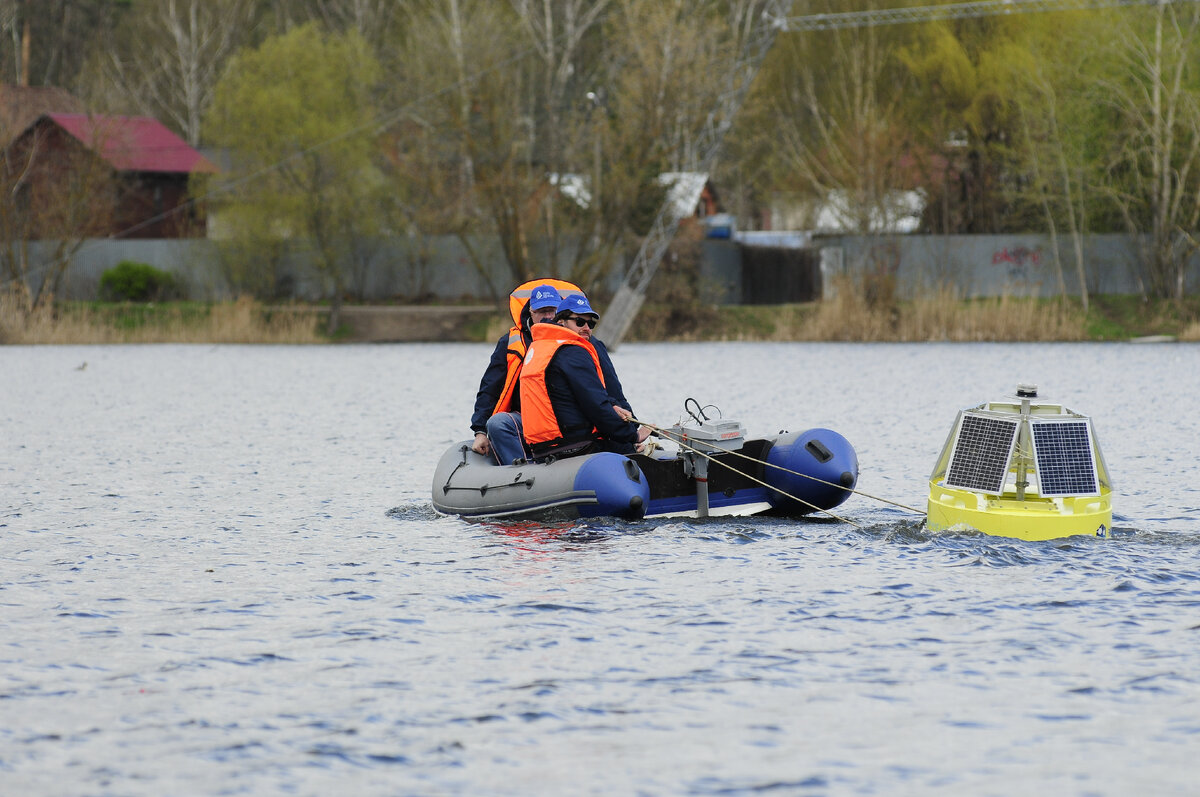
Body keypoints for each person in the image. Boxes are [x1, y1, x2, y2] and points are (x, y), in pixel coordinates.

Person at [519, 293, 651, 460]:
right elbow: (596, 405)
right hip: (575, 446)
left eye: (591, 323)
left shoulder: (539, 348)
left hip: (541, 450)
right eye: (579, 322)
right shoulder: (573, 352)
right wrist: (633, 435)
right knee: (633, 449)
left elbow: (566, 397)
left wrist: (613, 406)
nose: (586, 327)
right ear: (561, 322)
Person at [469, 280, 569, 465]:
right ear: (531, 312)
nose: (547, 316)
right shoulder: (510, 343)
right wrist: (480, 431)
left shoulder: (578, 339)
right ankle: (522, 473)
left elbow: (602, 388)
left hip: (567, 420)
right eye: (541, 311)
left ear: (561, 312)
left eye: (552, 311)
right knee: (498, 424)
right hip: (527, 421)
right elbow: (490, 388)